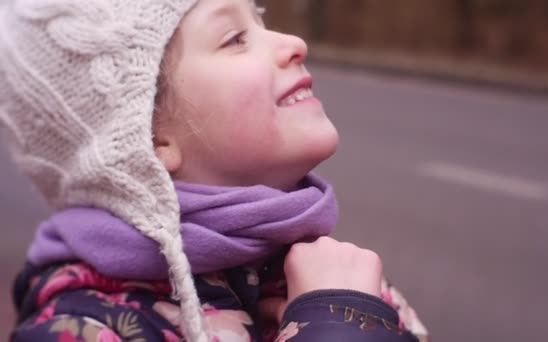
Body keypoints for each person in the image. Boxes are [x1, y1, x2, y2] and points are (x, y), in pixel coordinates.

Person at [0, 0, 428, 341]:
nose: (294, 42)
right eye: (236, 38)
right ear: (148, 138)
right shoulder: (80, 329)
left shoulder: (327, 268)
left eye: (260, 20)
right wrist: (337, 323)